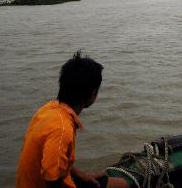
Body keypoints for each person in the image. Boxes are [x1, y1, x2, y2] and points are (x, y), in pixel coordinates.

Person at [16, 51, 129, 188]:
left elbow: (56, 162)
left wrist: (82, 176)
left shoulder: (48, 109)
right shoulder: (62, 129)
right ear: (93, 94)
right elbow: (51, 179)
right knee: (122, 185)